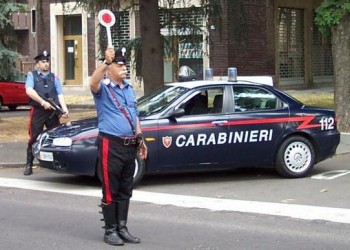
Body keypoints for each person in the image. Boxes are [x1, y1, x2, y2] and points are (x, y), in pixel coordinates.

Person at [90, 47, 148, 246]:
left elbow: (135, 115)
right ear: (110, 69)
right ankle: (110, 230)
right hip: (111, 145)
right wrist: (105, 62)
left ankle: (122, 227)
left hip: (129, 145)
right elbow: (92, 81)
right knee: (110, 189)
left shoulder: (129, 89)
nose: (124, 68)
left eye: (125, 65)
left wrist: (140, 138)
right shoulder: (103, 89)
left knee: (126, 188)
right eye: (119, 64)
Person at [24, 51, 69, 175]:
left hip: (52, 112)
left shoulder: (54, 77)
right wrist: (43, 102)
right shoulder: (31, 75)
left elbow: (60, 94)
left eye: (47, 61)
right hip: (38, 111)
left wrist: (64, 109)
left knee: (55, 137)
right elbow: (29, 90)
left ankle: (56, 163)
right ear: (37, 64)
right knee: (34, 137)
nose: (46, 64)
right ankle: (29, 164)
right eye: (43, 62)